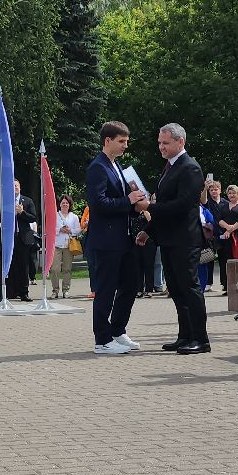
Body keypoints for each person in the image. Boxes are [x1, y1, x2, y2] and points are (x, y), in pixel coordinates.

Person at [142, 124, 210, 354]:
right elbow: (163, 206)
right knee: (176, 289)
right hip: (169, 238)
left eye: (166, 143)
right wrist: (148, 230)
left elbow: (182, 205)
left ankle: (201, 339)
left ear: (180, 142)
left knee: (190, 287)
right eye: (160, 143)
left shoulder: (190, 168)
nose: (161, 147)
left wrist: (149, 206)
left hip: (185, 239)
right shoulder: (170, 167)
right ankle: (185, 335)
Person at [85, 122, 146, 354]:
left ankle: (117, 331)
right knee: (106, 289)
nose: (125, 146)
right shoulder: (97, 167)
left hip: (124, 238)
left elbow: (122, 202)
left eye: (126, 141)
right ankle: (102, 340)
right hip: (106, 240)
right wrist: (128, 201)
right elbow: (98, 204)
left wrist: (137, 205)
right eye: (121, 141)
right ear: (107, 140)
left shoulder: (116, 166)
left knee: (132, 284)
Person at [4, 180, 39, 302]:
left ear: (20, 187)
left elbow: (33, 217)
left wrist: (21, 212)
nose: (15, 188)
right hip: (9, 237)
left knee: (24, 266)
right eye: (12, 186)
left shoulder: (27, 201)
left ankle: (24, 293)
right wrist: (10, 211)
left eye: (16, 186)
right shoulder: (5, 200)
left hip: (24, 238)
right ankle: (9, 292)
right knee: (9, 265)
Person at [215, 185, 238, 290]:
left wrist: (230, 229)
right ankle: (228, 286)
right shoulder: (223, 206)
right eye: (229, 193)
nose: (231, 195)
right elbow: (219, 219)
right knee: (226, 259)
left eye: (233, 193)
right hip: (226, 237)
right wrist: (227, 228)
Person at [50, 196, 80, 299]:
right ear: (60, 204)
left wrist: (70, 230)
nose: (65, 204)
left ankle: (66, 290)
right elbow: (51, 227)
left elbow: (78, 229)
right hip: (57, 245)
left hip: (68, 245)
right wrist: (60, 230)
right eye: (63, 203)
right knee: (54, 269)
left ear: (69, 205)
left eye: (67, 203)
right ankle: (55, 290)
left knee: (67, 269)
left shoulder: (74, 217)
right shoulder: (55, 215)